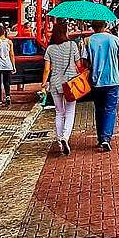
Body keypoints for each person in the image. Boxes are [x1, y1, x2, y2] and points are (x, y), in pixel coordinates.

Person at [79, 20, 119, 152]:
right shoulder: (114, 39)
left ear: (92, 26)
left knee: (99, 109)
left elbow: (84, 62)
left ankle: (101, 138)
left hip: (96, 81)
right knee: (110, 109)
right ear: (105, 25)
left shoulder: (88, 41)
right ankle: (106, 138)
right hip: (112, 80)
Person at [40, 21, 80, 155]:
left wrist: (43, 83)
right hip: (70, 83)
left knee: (59, 112)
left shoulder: (50, 48)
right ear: (65, 32)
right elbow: (78, 64)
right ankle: (65, 137)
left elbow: (47, 69)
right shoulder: (72, 45)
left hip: (55, 83)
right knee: (70, 111)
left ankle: (59, 140)